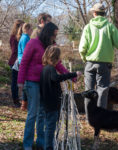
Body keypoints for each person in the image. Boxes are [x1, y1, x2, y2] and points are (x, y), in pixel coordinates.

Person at [79, 3, 118, 119]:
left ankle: (90, 118)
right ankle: (101, 119)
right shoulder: (110, 27)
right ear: (104, 13)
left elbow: (82, 48)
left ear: (94, 13)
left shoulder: (88, 27)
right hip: (104, 64)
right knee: (102, 91)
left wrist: (85, 59)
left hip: (89, 63)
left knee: (88, 91)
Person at [17, 22, 77, 150]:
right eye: (53, 35)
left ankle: (41, 142)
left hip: (45, 84)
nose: (54, 38)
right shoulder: (33, 43)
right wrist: (20, 83)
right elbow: (24, 63)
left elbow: (58, 64)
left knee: (42, 113)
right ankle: (27, 144)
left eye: (56, 35)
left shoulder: (51, 46)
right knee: (32, 113)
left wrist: (71, 75)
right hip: (32, 82)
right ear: (47, 33)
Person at [40, 46, 81, 150]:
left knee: (50, 126)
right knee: (50, 127)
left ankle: (49, 145)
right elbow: (56, 78)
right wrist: (73, 74)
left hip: (48, 104)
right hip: (51, 105)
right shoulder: (50, 69)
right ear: (56, 57)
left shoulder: (45, 69)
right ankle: (48, 147)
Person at [8, 19, 24, 107]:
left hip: (18, 60)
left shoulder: (20, 37)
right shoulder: (14, 37)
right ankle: (15, 100)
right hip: (15, 61)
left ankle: (20, 100)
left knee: (18, 81)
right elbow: (14, 50)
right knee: (15, 82)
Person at [17, 23, 32, 111]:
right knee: (26, 83)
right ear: (27, 29)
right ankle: (24, 104)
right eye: (31, 29)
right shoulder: (25, 38)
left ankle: (24, 103)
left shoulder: (24, 37)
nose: (31, 31)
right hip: (24, 62)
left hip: (22, 61)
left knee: (26, 83)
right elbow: (27, 51)